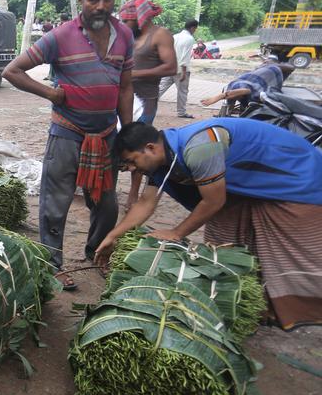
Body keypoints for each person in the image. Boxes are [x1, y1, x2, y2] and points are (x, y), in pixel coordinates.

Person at [95, 119, 322, 329]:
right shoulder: (161, 162)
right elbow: (146, 203)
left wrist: (177, 232)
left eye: (131, 161)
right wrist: (113, 236)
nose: (132, 169)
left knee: (291, 242)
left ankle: (303, 308)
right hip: (246, 186)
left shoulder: (200, 146)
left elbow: (214, 200)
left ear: (151, 148)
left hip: (293, 175)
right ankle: (245, 303)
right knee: (222, 240)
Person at [3, 0, 135, 290]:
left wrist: (128, 133)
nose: (101, 6)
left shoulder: (125, 37)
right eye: (94, 0)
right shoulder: (61, 36)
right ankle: (52, 263)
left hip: (106, 136)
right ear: (81, 0)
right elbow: (12, 71)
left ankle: (96, 253)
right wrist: (50, 93)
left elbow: (125, 88)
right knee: (55, 202)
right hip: (66, 132)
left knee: (107, 204)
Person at [117, 0, 177, 124]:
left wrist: (133, 74)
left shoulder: (160, 34)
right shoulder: (131, 36)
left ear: (139, 17)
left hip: (145, 99)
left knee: (136, 138)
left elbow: (171, 67)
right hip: (124, 97)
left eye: (126, 21)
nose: (124, 24)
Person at [200, 58, 295, 113]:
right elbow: (246, 90)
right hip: (248, 81)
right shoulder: (262, 68)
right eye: (265, 61)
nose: (265, 61)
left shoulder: (275, 67)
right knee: (245, 89)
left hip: (265, 76)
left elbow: (247, 90)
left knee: (248, 90)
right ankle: (232, 101)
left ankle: (231, 100)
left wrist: (220, 96)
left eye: (267, 61)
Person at [158, 19, 199, 118]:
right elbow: (185, 57)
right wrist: (184, 72)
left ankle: (145, 105)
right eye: (195, 29)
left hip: (169, 67)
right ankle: (181, 112)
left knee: (160, 88)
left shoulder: (175, 36)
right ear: (193, 28)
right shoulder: (189, 39)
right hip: (181, 70)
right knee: (182, 91)